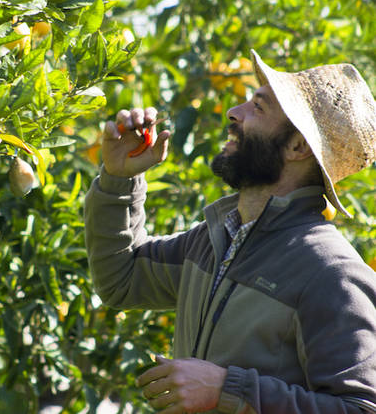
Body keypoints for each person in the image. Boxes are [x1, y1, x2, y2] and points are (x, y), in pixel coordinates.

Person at [84, 49, 376, 413]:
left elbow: (359, 407)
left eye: (259, 107)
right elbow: (122, 281)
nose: (234, 112)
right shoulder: (216, 238)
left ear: (298, 146)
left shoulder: (331, 274)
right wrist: (119, 179)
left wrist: (227, 388)